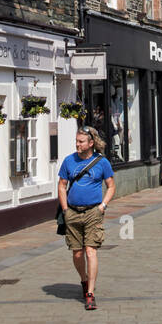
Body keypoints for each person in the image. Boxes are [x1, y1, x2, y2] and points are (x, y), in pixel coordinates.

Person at [59, 127, 116, 309]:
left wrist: (103, 206)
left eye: (81, 141)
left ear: (91, 143)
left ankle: (90, 293)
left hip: (93, 211)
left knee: (91, 251)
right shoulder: (69, 161)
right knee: (77, 253)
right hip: (73, 212)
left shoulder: (102, 162)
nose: (77, 144)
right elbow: (61, 185)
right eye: (76, 141)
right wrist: (65, 209)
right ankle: (83, 280)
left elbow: (111, 186)